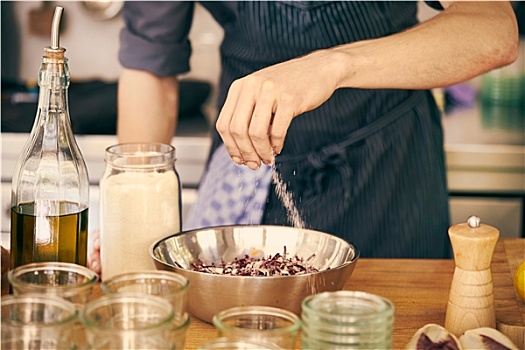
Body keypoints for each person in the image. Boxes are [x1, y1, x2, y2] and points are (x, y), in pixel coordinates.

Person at [112, 1, 518, 263]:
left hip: (390, 169)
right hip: (250, 172)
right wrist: (133, 222)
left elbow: (492, 27)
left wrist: (331, 66)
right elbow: (151, 63)